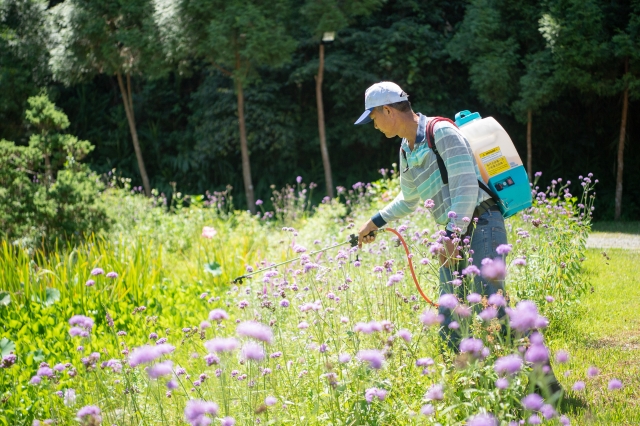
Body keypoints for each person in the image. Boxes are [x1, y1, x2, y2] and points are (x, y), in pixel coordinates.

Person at [354, 81, 508, 348]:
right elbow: (409, 198)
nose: (375, 125)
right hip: (455, 233)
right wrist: (375, 222)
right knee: (450, 313)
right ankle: (458, 380)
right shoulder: (406, 148)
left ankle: (539, 378)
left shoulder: (442, 132)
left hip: (481, 222)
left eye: (374, 117)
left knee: (491, 304)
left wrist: (450, 234)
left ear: (388, 111)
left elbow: (466, 186)